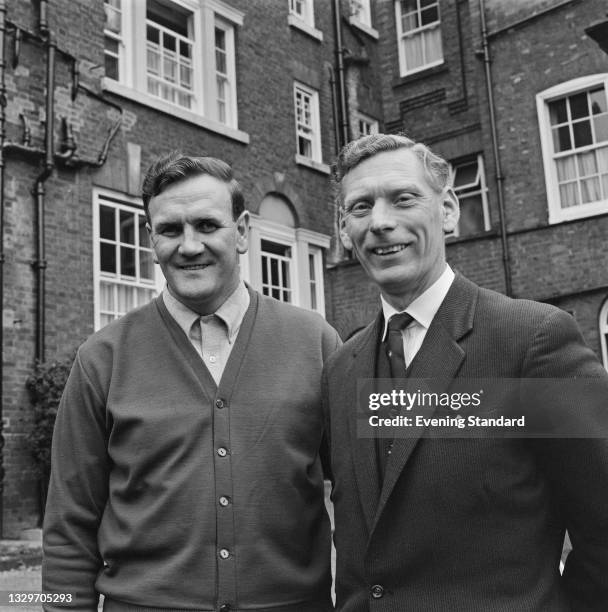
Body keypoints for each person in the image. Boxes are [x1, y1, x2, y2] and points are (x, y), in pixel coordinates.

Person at [42, 153, 341, 611]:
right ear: (151, 240)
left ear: (241, 232)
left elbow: (364, 496)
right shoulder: (101, 359)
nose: (189, 246)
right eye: (170, 230)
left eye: (206, 225)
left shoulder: (315, 342)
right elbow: (69, 529)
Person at [323, 133, 608, 611]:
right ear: (345, 231)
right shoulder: (340, 369)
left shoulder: (531, 341)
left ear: (449, 209)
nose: (381, 222)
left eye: (403, 198)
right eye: (360, 207)